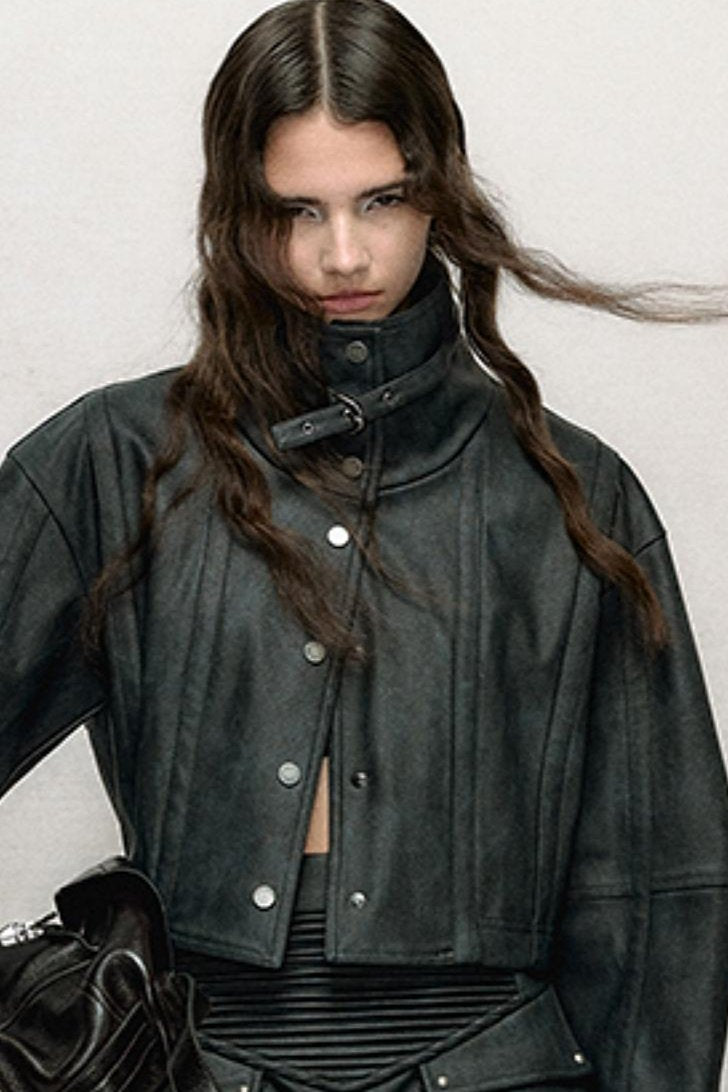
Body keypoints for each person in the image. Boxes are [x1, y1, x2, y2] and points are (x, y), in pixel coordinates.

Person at [1, 0, 727, 1089]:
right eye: (296, 211)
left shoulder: (573, 499)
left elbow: (661, 897)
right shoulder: (113, 463)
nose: (344, 254)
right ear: (236, 213)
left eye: (381, 200)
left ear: (440, 190)